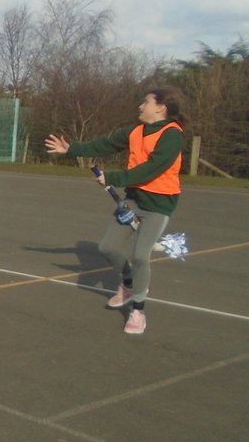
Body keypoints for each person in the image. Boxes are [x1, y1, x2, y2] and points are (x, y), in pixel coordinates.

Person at [44, 88, 186, 335]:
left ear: (161, 107)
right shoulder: (135, 131)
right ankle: (129, 284)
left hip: (159, 205)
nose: (140, 107)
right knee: (106, 248)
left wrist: (113, 177)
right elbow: (105, 145)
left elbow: (151, 170)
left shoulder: (172, 135)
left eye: (146, 102)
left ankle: (138, 311)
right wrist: (72, 150)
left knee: (141, 256)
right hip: (134, 200)